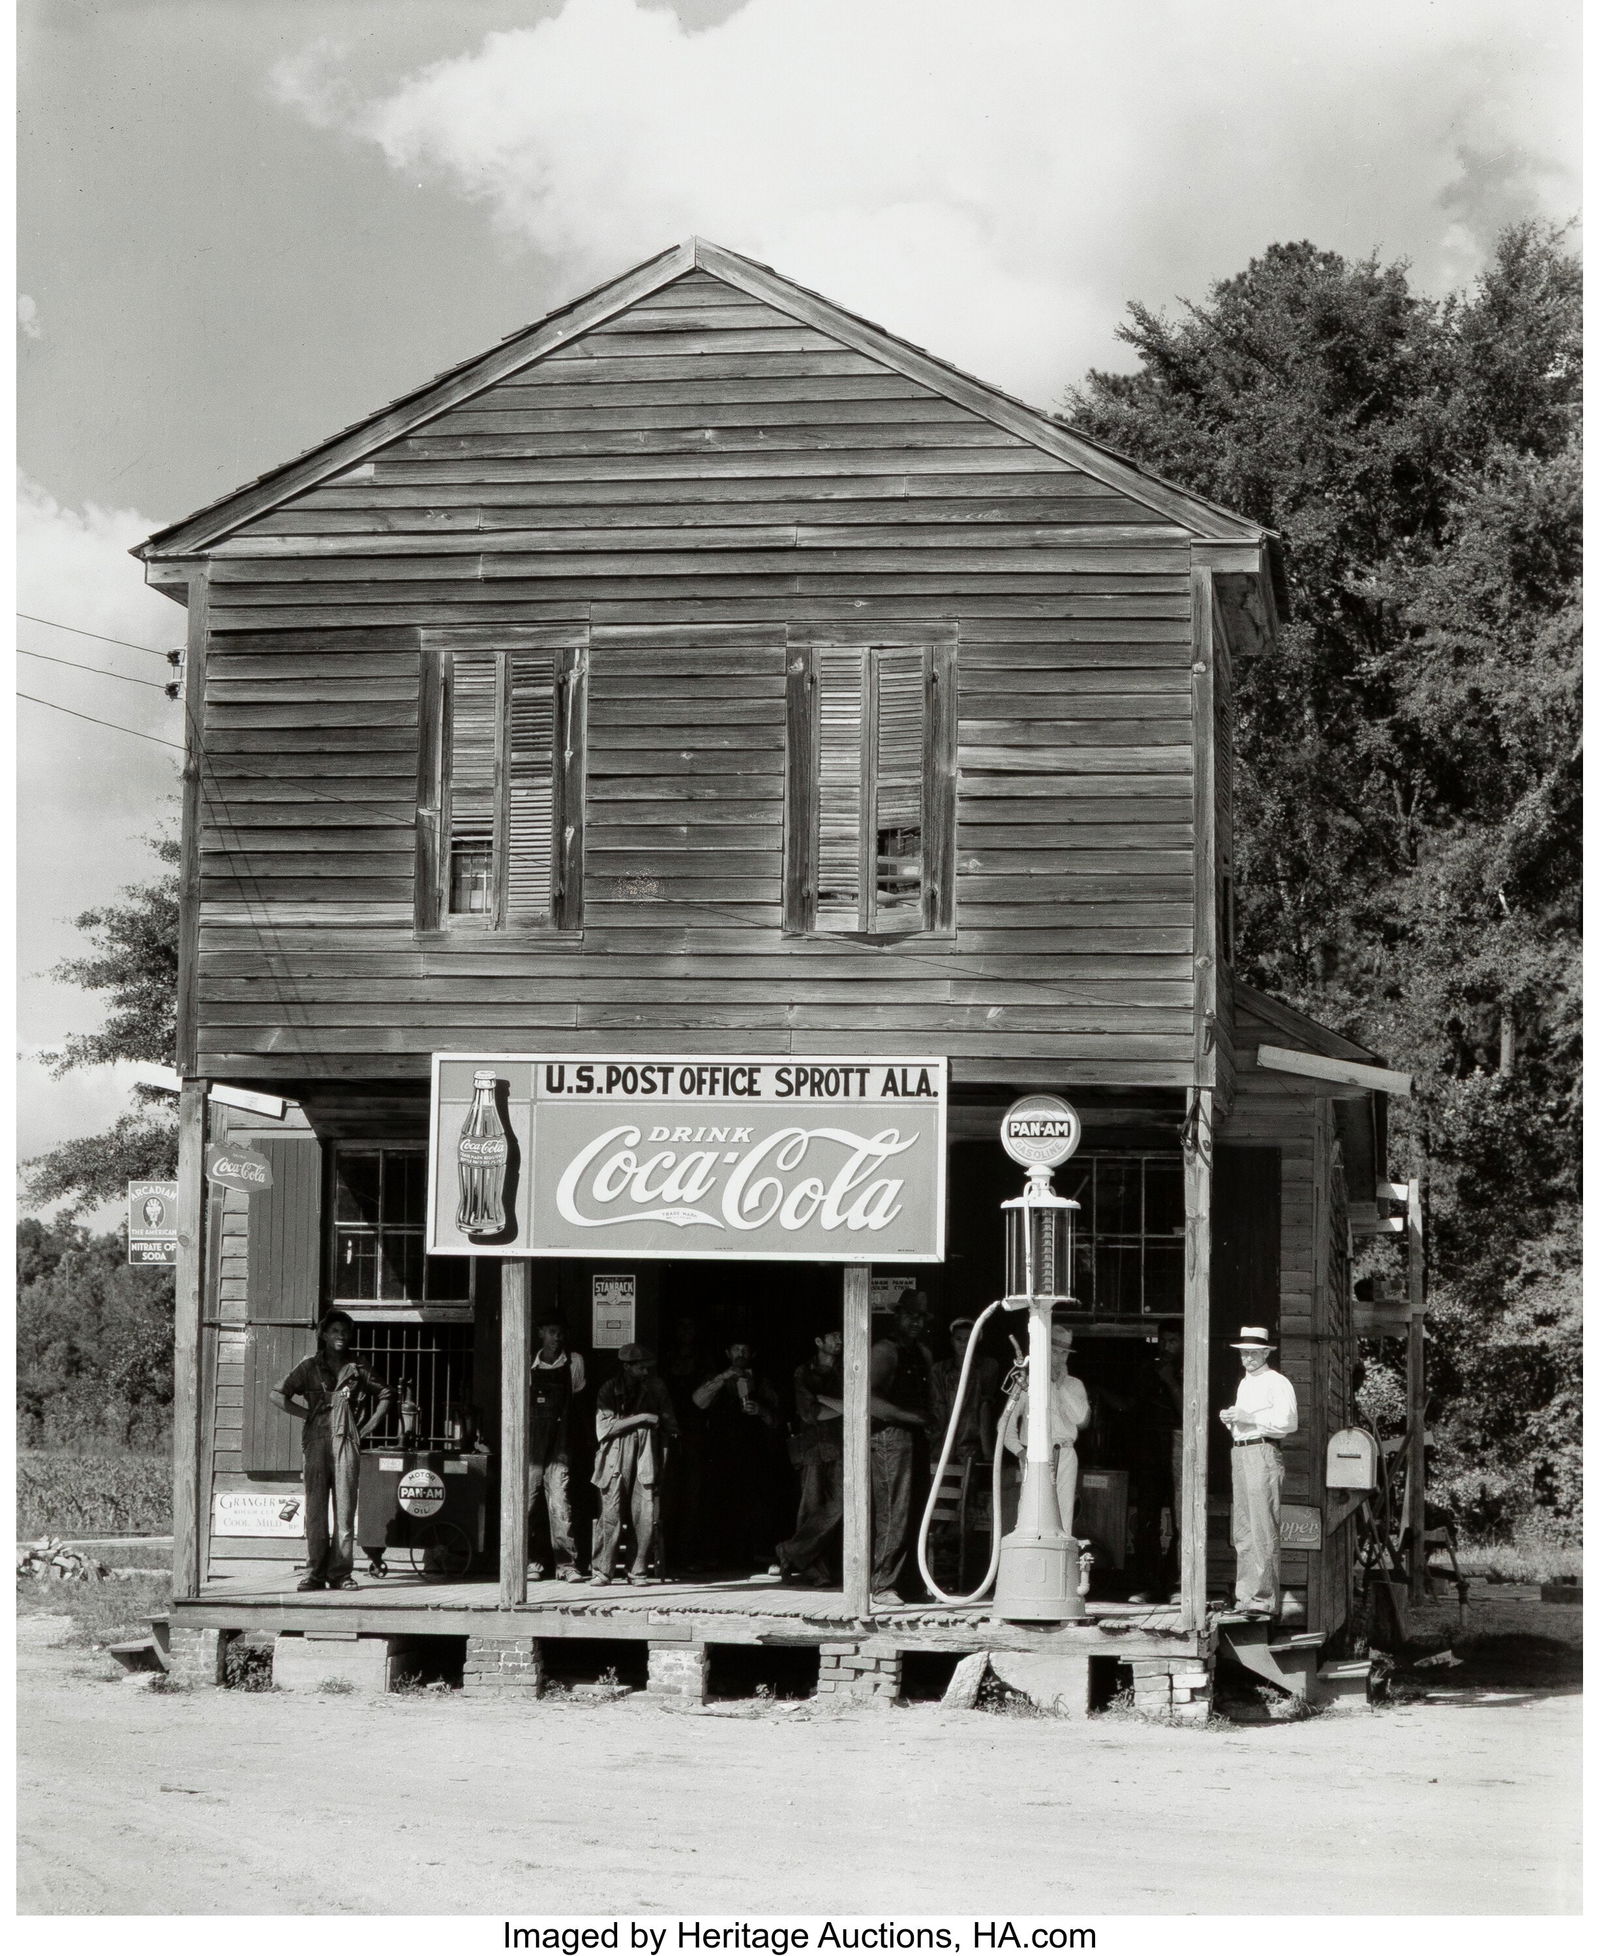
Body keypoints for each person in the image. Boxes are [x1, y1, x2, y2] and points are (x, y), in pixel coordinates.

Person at [271, 1310, 392, 1592]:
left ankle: (340, 1574)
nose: (341, 1336)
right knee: (314, 1512)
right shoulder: (310, 1367)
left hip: (346, 1441)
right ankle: (314, 1574)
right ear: (324, 1335)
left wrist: (365, 1430)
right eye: (335, 1331)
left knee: (345, 1510)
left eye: (345, 1331)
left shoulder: (358, 1367)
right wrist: (306, 1414)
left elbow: (386, 1394)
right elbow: (277, 1395)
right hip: (315, 1442)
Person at [1220, 1324, 1298, 1616]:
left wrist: (1248, 1417)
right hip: (1240, 1453)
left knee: (1263, 1527)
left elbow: (1288, 1423)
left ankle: (1264, 1598)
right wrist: (1232, 1419)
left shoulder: (1277, 1382)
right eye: (1244, 1353)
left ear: (1266, 1352)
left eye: (1254, 1352)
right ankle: (1245, 1597)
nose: (1248, 1358)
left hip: (1263, 1453)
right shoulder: (1245, 1383)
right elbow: (1247, 1421)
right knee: (1243, 1530)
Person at [867, 1290, 935, 1606]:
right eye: (910, 1315)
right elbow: (868, 1400)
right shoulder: (885, 1351)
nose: (916, 1322)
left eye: (921, 1317)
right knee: (895, 1510)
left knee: (915, 1511)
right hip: (890, 1439)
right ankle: (882, 1584)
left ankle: (909, 1584)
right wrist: (913, 1418)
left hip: (916, 1438)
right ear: (897, 1316)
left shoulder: (920, 1353)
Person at [591, 1343, 679, 1585]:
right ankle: (602, 1571)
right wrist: (642, 1418)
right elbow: (605, 1427)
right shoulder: (609, 1389)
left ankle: (637, 1571)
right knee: (611, 1514)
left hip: (646, 1455)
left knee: (643, 1514)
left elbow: (670, 1424)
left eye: (646, 1367)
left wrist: (663, 1457)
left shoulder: (656, 1388)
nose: (645, 1372)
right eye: (640, 1367)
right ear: (627, 1366)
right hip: (615, 1456)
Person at [693, 1339, 783, 1573]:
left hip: (754, 1451)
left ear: (753, 1353)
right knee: (716, 1501)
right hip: (720, 1451)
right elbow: (698, 1402)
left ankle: (759, 1555)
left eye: (745, 1349)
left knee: (756, 1503)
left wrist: (760, 1411)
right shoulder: (717, 1378)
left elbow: (777, 1418)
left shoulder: (762, 1380)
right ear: (727, 1352)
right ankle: (713, 1556)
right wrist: (723, 1378)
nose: (740, 1353)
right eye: (735, 1349)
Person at [1000, 1318, 1090, 1537]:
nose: (1059, 1358)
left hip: (1065, 1453)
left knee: (1063, 1514)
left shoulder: (1074, 1385)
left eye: (1064, 1353)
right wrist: (1020, 1451)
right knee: (1032, 1511)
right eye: (1055, 1352)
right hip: (1035, 1454)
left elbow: (1081, 1420)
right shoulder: (1026, 1383)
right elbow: (1004, 1424)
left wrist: (1059, 1388)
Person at [776, 1327, 845, 1586]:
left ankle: (790, 1551)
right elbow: (810, 1413)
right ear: (819, 1341)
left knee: (840, 1506)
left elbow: (829, 1406)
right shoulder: (803, 1372)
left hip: (841, 1445)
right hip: (812, 1448)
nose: (839, 1340)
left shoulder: (847, 1368)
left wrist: (828, 1402)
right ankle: (816, 1572)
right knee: (811, 1509)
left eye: (841, 1336)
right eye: (834, 1336)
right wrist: (844, 1406)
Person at [528, 1311, 587, 1583]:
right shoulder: (529, 1362)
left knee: (560, 1502)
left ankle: (566, 1564)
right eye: (551, 1332)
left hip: (560, 1442)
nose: (556, 1338)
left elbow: (576, 1398)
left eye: (560, 1332)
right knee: (530, 1501)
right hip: (532, 1445)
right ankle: (533, 1562)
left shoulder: (574, 1362)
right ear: (541, 1333)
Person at [1130, 1321, 1184, 1602]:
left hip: (1178, 1443)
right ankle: (1149, 1585)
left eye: (1173, 1341)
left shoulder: (1188, 1369)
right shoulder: (1146, 1370)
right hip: (1149, 1444)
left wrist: (1170, 1380)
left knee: (1181, 1517)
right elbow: (1134, 1408)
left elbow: (1189, 1412)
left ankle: (1177, 1585)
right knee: (1147, 1517)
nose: (1166, 1346)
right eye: (1163, 1340)